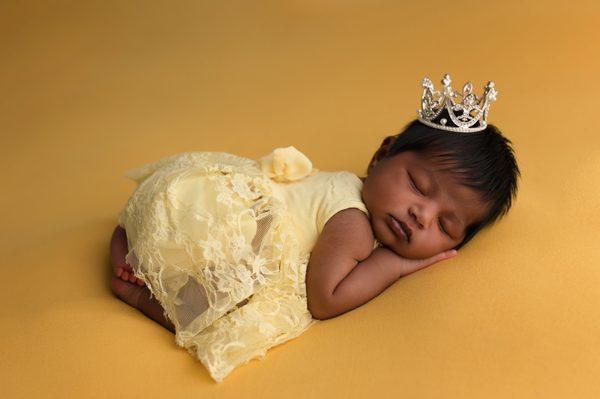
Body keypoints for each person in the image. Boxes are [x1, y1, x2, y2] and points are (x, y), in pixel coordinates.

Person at [109, 75, 520, 383]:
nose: (420, 215)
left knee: (162, 224)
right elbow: (324, 298)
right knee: (229, 297)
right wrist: (392, 265)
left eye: (445, 225)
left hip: (188, 198)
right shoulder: (352, 221)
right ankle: (138, 294)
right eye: (418, 185)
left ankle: (127, 239)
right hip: (227, 225)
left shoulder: (343, 188)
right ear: (381, 156)